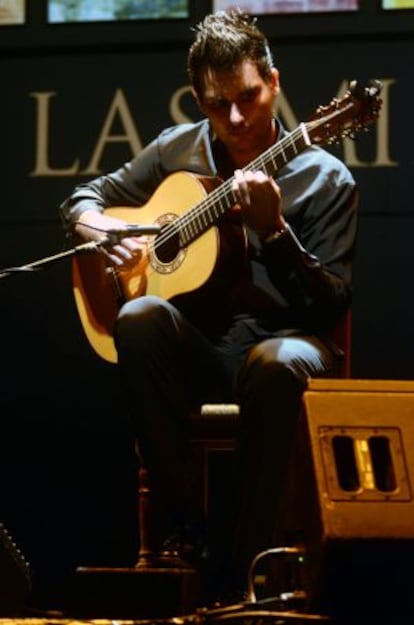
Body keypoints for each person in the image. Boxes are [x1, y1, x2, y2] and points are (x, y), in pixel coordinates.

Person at [60, 9, 358, 605]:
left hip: (285, 348)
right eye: (218, 105)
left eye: (248, 97)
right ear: (199, 100)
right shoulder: (177, 149)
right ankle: (185, 535)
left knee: (274, 363)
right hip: (202, 349)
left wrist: (275, 234)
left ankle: (243, 571)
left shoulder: (326, 179)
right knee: (139, 317)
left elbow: (330, 307)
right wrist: (101, 230)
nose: (237, 118)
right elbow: (83, 199)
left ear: (274, 82)